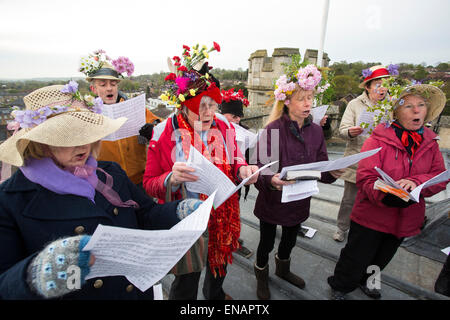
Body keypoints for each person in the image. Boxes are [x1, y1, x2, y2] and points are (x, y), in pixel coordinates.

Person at [0, 83, 202, 299]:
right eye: (66, 137)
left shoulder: (110, 172)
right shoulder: (10, 200)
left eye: (86, 133)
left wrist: (179, 211)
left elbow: (146, 215)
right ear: (39, 142)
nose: (83, 146)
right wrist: (33, 276)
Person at [143, 42, 259, 300]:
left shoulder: (225, 127)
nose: (208, 113)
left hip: (223, 215)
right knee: (186, 281)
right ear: (184, 105)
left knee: (219, 270)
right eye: (200, 107)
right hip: (187, 219)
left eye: (213, 104)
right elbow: (149, 183)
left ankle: (215, 297)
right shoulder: (163, 133)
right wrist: (171, 177)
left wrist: (243, 169)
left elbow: (236, 157)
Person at [327, 83, 449, 300]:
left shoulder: (431, 143)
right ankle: (341, 285)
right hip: (371, 216)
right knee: (356, 255)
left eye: (421, 105)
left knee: (383, 257)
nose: (416, 110)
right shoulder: (377, 139)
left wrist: (415, 182)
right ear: (396, 112)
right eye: (409, 106)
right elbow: (365, 177)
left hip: (407, 217)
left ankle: (369, 281)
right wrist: (387, 193)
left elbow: (439, 177)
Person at [253, 64, 344, 300]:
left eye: (311, 98)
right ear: (287, 102)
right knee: (266, 243)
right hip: (273, 202)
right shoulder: (272, 130)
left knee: (290, 240)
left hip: (299, 200)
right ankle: (261, 276)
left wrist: (333, 173)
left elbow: (321, 167)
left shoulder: (315, 131)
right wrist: (271, 180)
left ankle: (283, 269)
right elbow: (259, 173)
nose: (308, 104)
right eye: (302, 99)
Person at [333, 65, 398, 242]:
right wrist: (350, 131)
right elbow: (342, 130)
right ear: (368, 87)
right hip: (357, 159)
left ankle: (363, 230)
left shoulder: (392, 105)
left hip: (381, 163)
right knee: (349, 199)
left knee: (373, 199)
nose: (381, 88)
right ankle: (342, 228)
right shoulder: (355, 104)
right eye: (377, 84)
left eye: (384, 84)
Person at [80, 50, 161, 186]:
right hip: (107, 183)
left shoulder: (134, 107)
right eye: (103, 84)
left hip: (139, 180)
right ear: (93, 89)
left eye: (113, 84)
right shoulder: (87, 115)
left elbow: (162, 126)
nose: (109, 88)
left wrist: (153, 129)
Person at [218, 88, 253, 259]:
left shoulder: (243, 131)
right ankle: (224, 241)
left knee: (234, 211)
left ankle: (234, 239)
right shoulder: (214, 130)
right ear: (223, 114)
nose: (237, 120)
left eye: (239, 117)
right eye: (233, 116)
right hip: (219, 183)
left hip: (236, 181)